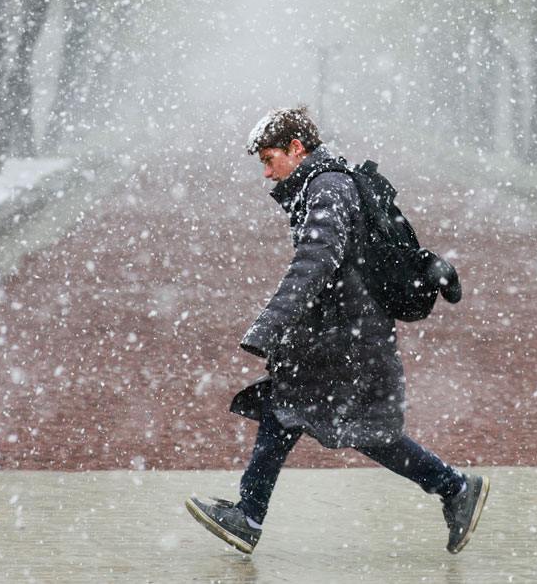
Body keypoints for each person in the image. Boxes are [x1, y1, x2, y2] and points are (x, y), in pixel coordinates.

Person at [185, 105, 489, 555]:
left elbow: (315, 263)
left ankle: (454, 487)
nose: (267, 173)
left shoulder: (327, 189)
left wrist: (269, 325)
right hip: (339, 336)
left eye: (270, 160)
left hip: (346, 339)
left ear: (296, 148)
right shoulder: (325, 184)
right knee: (297, 414)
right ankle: (452, 487)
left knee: (345, 426)